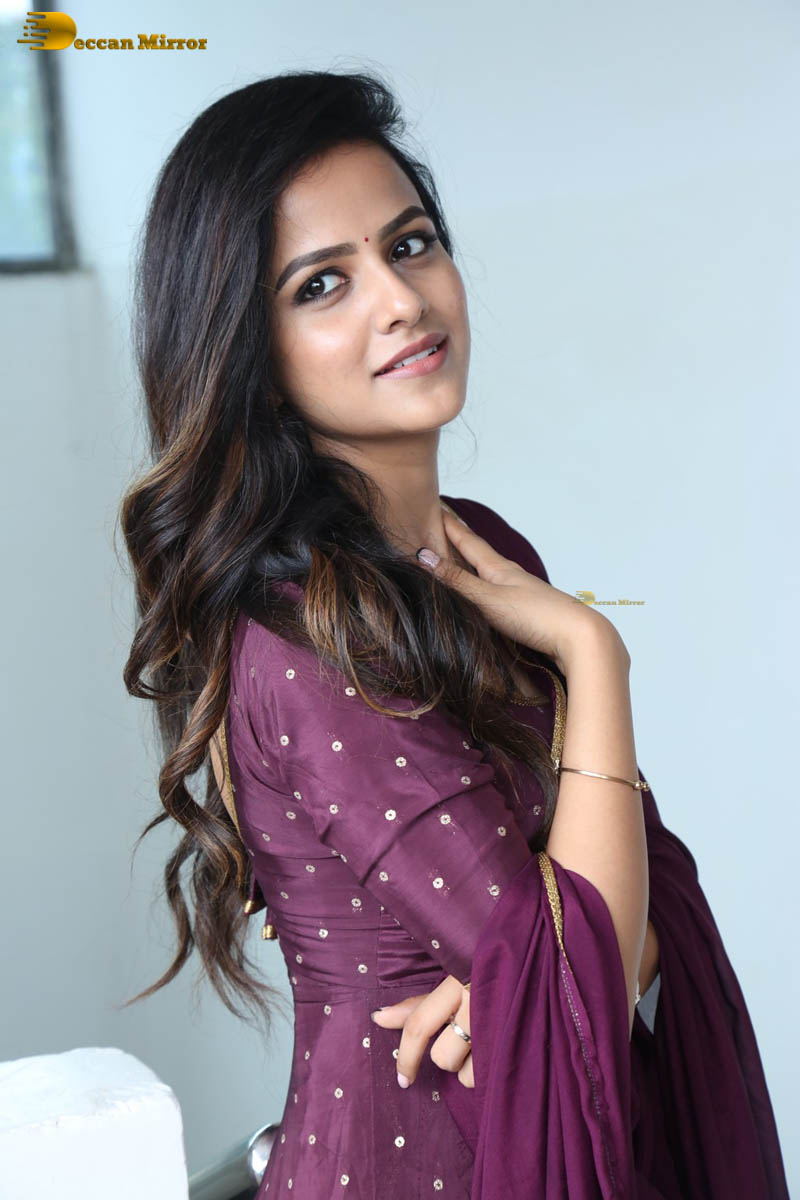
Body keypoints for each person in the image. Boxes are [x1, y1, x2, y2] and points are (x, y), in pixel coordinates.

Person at [119, 69, 789, 1197]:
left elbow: (621, 920)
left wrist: (544, 969)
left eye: (410, 244)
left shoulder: (481, 557)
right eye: (322, 284)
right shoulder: (302, 639)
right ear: (250, 356)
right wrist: (593, 658)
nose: (399, 300)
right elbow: (586, 961)